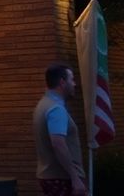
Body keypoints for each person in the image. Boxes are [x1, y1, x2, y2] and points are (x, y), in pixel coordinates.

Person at [33, 63, 86, 196]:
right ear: (62, 82)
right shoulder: (56, 109)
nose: (74, 84)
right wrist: (75, 178)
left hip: (49, 175)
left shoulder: (42, 105)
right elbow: (58, 143)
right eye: (72, 79)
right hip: (62, 178)